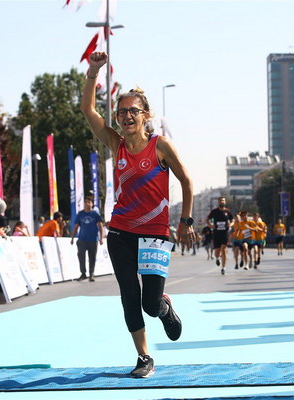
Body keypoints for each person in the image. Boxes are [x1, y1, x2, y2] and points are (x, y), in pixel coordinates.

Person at [81, 51, 195, 379]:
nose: (127, 116)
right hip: (120, 233)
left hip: (155, 234)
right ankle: (144, 357)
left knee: (149, 303)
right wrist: (93, 71)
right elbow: (88, 110)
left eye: (134, 111)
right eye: (122, 112)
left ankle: (163, 307)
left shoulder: (160, 146)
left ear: (145, 115)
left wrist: (186, 221)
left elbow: (187, 181)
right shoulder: (115, 143)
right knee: (129, 296)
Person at [70, 196, 104, 282]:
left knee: (92, 257)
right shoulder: (80, 214)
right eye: (85, 202)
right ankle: (83, 273)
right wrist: (72, 237)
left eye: (89, 202)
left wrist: (101, 238)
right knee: (81, 256)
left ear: (92, 204)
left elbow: (100, 225)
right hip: (82, 239)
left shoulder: (95, 214)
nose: (87, 203)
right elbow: (76, 226)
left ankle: (91, 274)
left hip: (93, 239)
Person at [207, 197, 234, 275]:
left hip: (225, 234)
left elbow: (232, 220)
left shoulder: (228, 211)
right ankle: (217, 258)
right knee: (217, 253)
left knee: (224, 250)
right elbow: (207, 219)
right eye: (220, 201)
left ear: (225, 202)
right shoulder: (214, 211)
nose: (222, 202)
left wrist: (230, 224)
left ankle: (223, 268)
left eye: (223, 200)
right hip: (216, 234)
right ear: (218, 202)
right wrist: (211, 226)